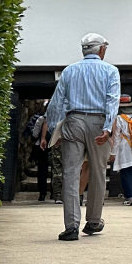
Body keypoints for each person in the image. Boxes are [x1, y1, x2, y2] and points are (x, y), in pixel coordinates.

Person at [43, 32, 121, 241]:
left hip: (74, 121)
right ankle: (94, 221)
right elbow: (112, 101)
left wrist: (54, 130)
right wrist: (107, 128)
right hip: (98, 122)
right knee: (97, 172)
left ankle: (71, 226)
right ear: (101, 50)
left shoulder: (69, 71)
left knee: (71, 173)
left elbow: (56, 103)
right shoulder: (111, 71)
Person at [109, 96, 132, 206]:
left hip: (126, 148)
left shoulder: (119, 118)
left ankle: (130, 197)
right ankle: (131, 194)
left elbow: (116, 137)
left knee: (126, 173)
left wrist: (113, 153)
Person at [24, 106, 50, 201]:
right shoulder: (61, 117)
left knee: (42, 170)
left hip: (42, 147)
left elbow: (35, 134)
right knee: (58, 170)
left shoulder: (41, 119)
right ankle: (56, 193)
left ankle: (42, 193)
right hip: (56, 146)